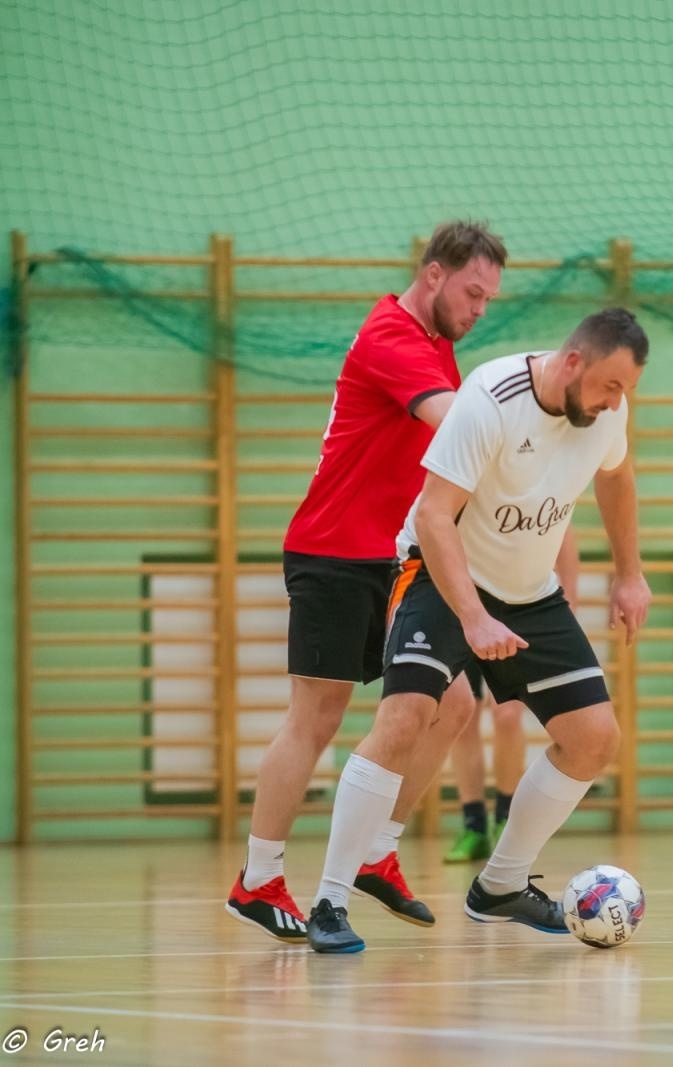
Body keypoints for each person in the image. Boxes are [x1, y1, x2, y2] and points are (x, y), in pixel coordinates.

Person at [304, 307, 651, 953]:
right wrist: (472, 616)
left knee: (594, 739)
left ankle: (499, 885)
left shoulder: (607, 413)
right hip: (440, 573)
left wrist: (629, 573)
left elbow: (616, 477)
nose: (615, 401)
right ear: (573, 361)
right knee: (408, 714)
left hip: (529, 591)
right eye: (610, 385)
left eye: (625, 390)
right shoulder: (491, 397)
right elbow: (434, 516)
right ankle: (328, 897)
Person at [225, 220, 507, 943]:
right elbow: (453, 425)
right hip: (332, 554)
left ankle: (379, 851)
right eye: (472, 292)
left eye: (488, 299)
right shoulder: (391, 334)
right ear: (434, 274)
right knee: (315, 718)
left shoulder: (440, 345)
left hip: (392, 560)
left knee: (451, 705)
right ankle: (258, 877)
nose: (479, 309)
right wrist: (529, 425)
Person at [444, 533, 580, 863]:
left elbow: (565, 539)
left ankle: (506, 817)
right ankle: (473, 824)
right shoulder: (461, 484)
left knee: (507, 715)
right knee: (464, 716)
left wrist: (569, 604)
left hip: (517, 607)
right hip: (462, 607)